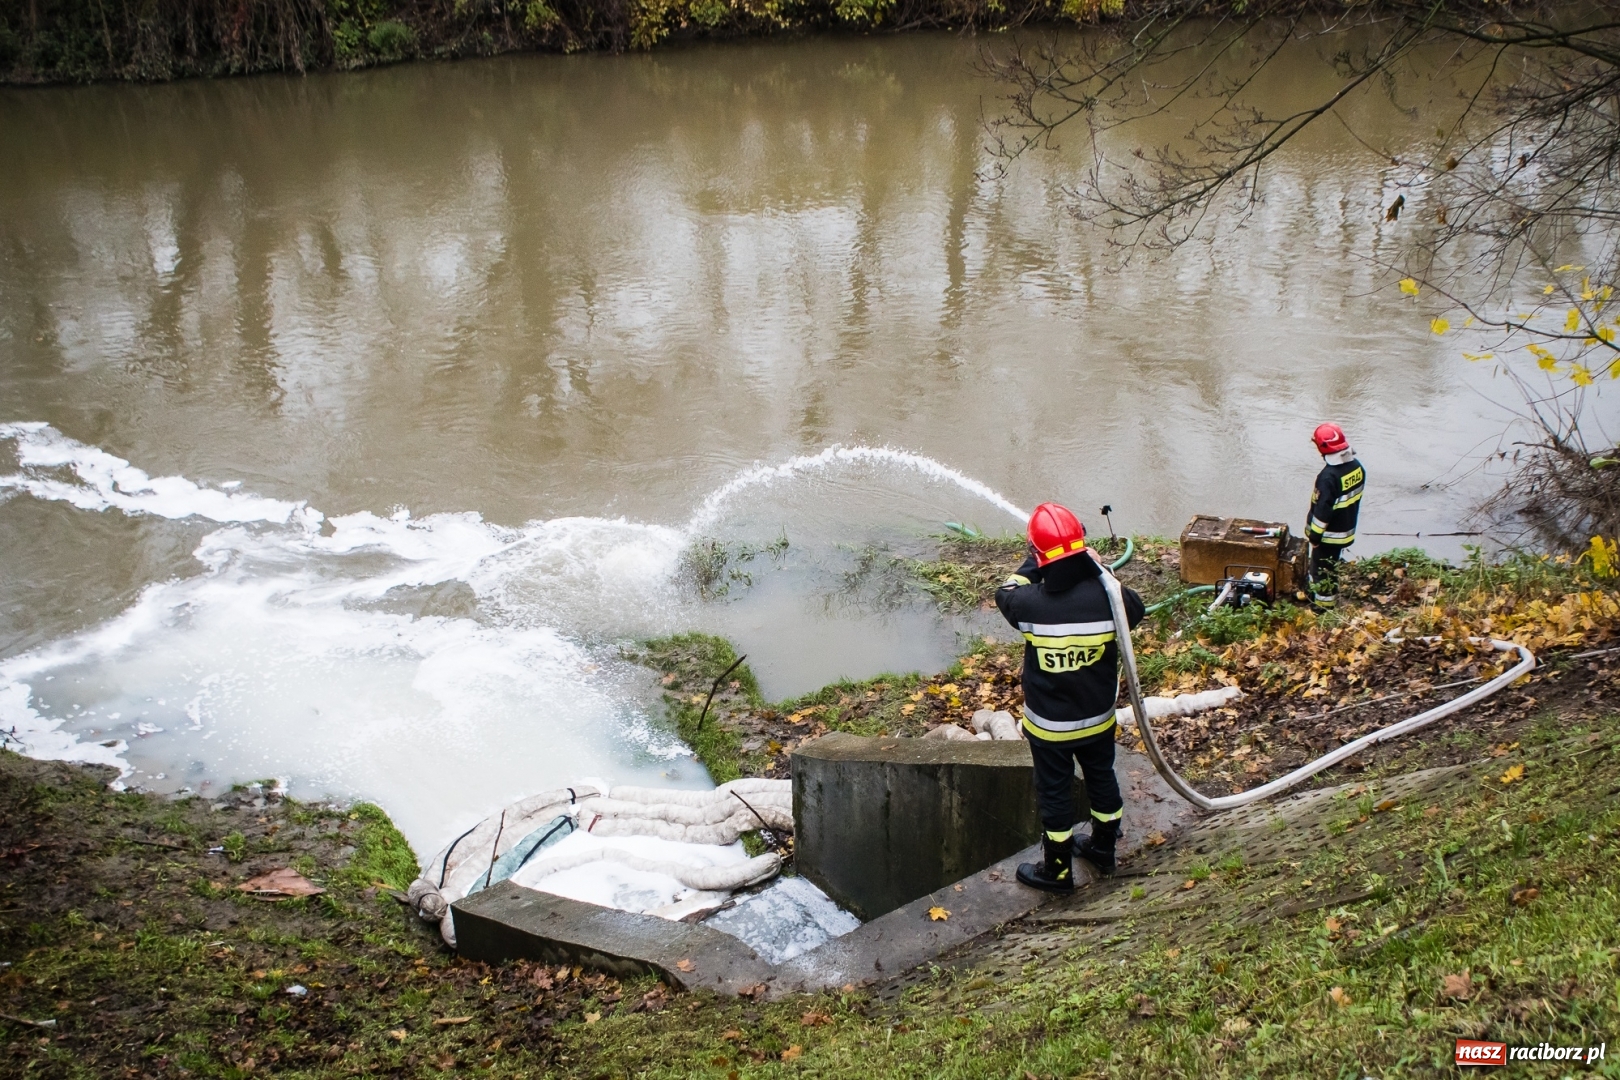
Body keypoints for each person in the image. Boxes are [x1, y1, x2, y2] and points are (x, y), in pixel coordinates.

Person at [995, 503, 1145, 890]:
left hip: (1049, 728)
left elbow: (1005, 591)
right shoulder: (1110, 601)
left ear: (1038, 556)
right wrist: (1098, 567)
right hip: (1097, 718)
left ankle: (1057, 872)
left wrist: (1032, 562)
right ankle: (1103, 850)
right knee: (1101, 779)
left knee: (1055, 793)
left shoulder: (1029, 606)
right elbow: (1136, 607)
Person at [1305, 423, 1366, 609]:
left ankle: (1322, 608)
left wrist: (1314, 537)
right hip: (1346, 530)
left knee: (1321, 570)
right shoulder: (1357, 467)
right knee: (1331, 566)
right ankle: (1325, 596)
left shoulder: (1327, 477)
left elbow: (1322, 513)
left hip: (1328, 536)